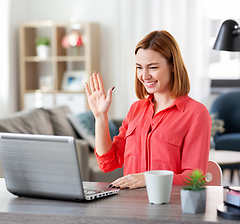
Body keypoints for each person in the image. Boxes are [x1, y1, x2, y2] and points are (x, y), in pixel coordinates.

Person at [85, 30, 211, 190]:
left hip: (170, 208)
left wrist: (149, 179)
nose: (144, 76)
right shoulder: (136, 109)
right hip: (130, 205)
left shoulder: (196, 114)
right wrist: (100, 116)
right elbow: (108, 164)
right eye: (139, 67)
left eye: (153, 67)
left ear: (173, 66)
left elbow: (195, 179)